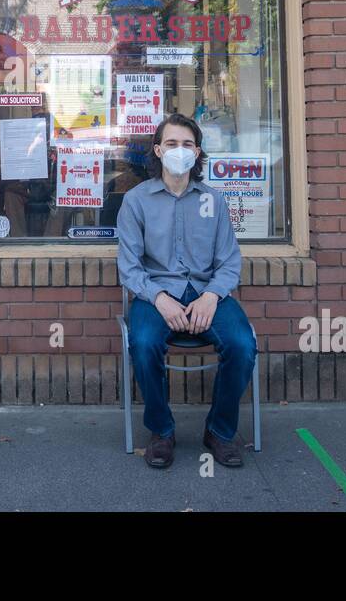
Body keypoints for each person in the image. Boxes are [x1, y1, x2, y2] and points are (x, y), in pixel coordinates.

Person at [116, 113, 255, 469]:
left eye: (188, 144)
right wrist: (160, 299)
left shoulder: (214, 201)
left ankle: (220, 432)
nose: (180, 151)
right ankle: (162, 431)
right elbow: (129, 267)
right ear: (159, 150)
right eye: (172, 144)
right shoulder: (136, 201)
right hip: (155, 293)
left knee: (242, 344)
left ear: (197, 153)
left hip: (207, 293)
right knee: (144, 343)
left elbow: (229, 261)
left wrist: (211, 296)